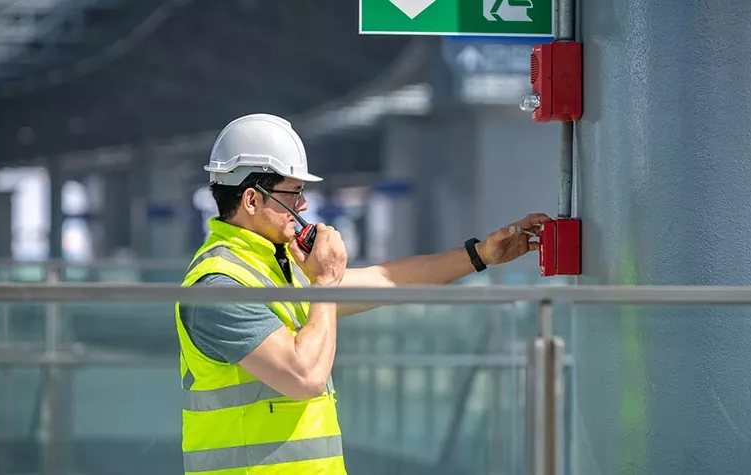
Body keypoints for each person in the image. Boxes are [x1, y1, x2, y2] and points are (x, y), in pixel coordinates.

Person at [175, 113, 552, 474]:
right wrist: (324, 282)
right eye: (292, 194)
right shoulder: (221, 287)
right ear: (252, 200)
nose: (303, 206)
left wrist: (481, 255)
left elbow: (389, 280)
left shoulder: (275, 269)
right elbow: (304, 377)